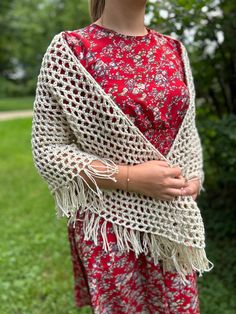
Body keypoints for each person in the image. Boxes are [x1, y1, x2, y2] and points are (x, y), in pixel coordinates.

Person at [31, 0, 212, 313]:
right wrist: (129, 178)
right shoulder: (71, 50)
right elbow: (47, 149)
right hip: (112, 226)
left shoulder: (174, 49)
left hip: (173, 224)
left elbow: (188, 131)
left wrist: (194, 178)